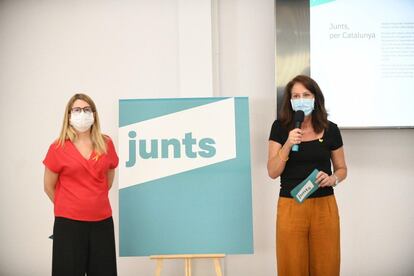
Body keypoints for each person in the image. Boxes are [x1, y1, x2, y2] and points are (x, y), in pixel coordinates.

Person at [267, 75, 347, 276]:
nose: (301, 99)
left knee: (327, 265)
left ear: (315, 98)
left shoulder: (331, 129)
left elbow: (342, 169)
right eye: (296, 95)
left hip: (324, 205)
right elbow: (272, 171)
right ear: (290, 101)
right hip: (291, 205)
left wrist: (333, 179)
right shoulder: (280, 128)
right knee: (292, 266)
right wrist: (287, 144)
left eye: (306, 94)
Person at [43, 93, 119, 276]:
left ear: (94, 114)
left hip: (102, 223)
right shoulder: (58, 147)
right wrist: (71, 205)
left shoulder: (106, 143)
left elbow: (107, 180)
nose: (82, 113)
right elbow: (48, 186)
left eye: (86, 109)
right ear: (69, 115)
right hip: (68, 225)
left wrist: (91, 201)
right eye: (76, 110)